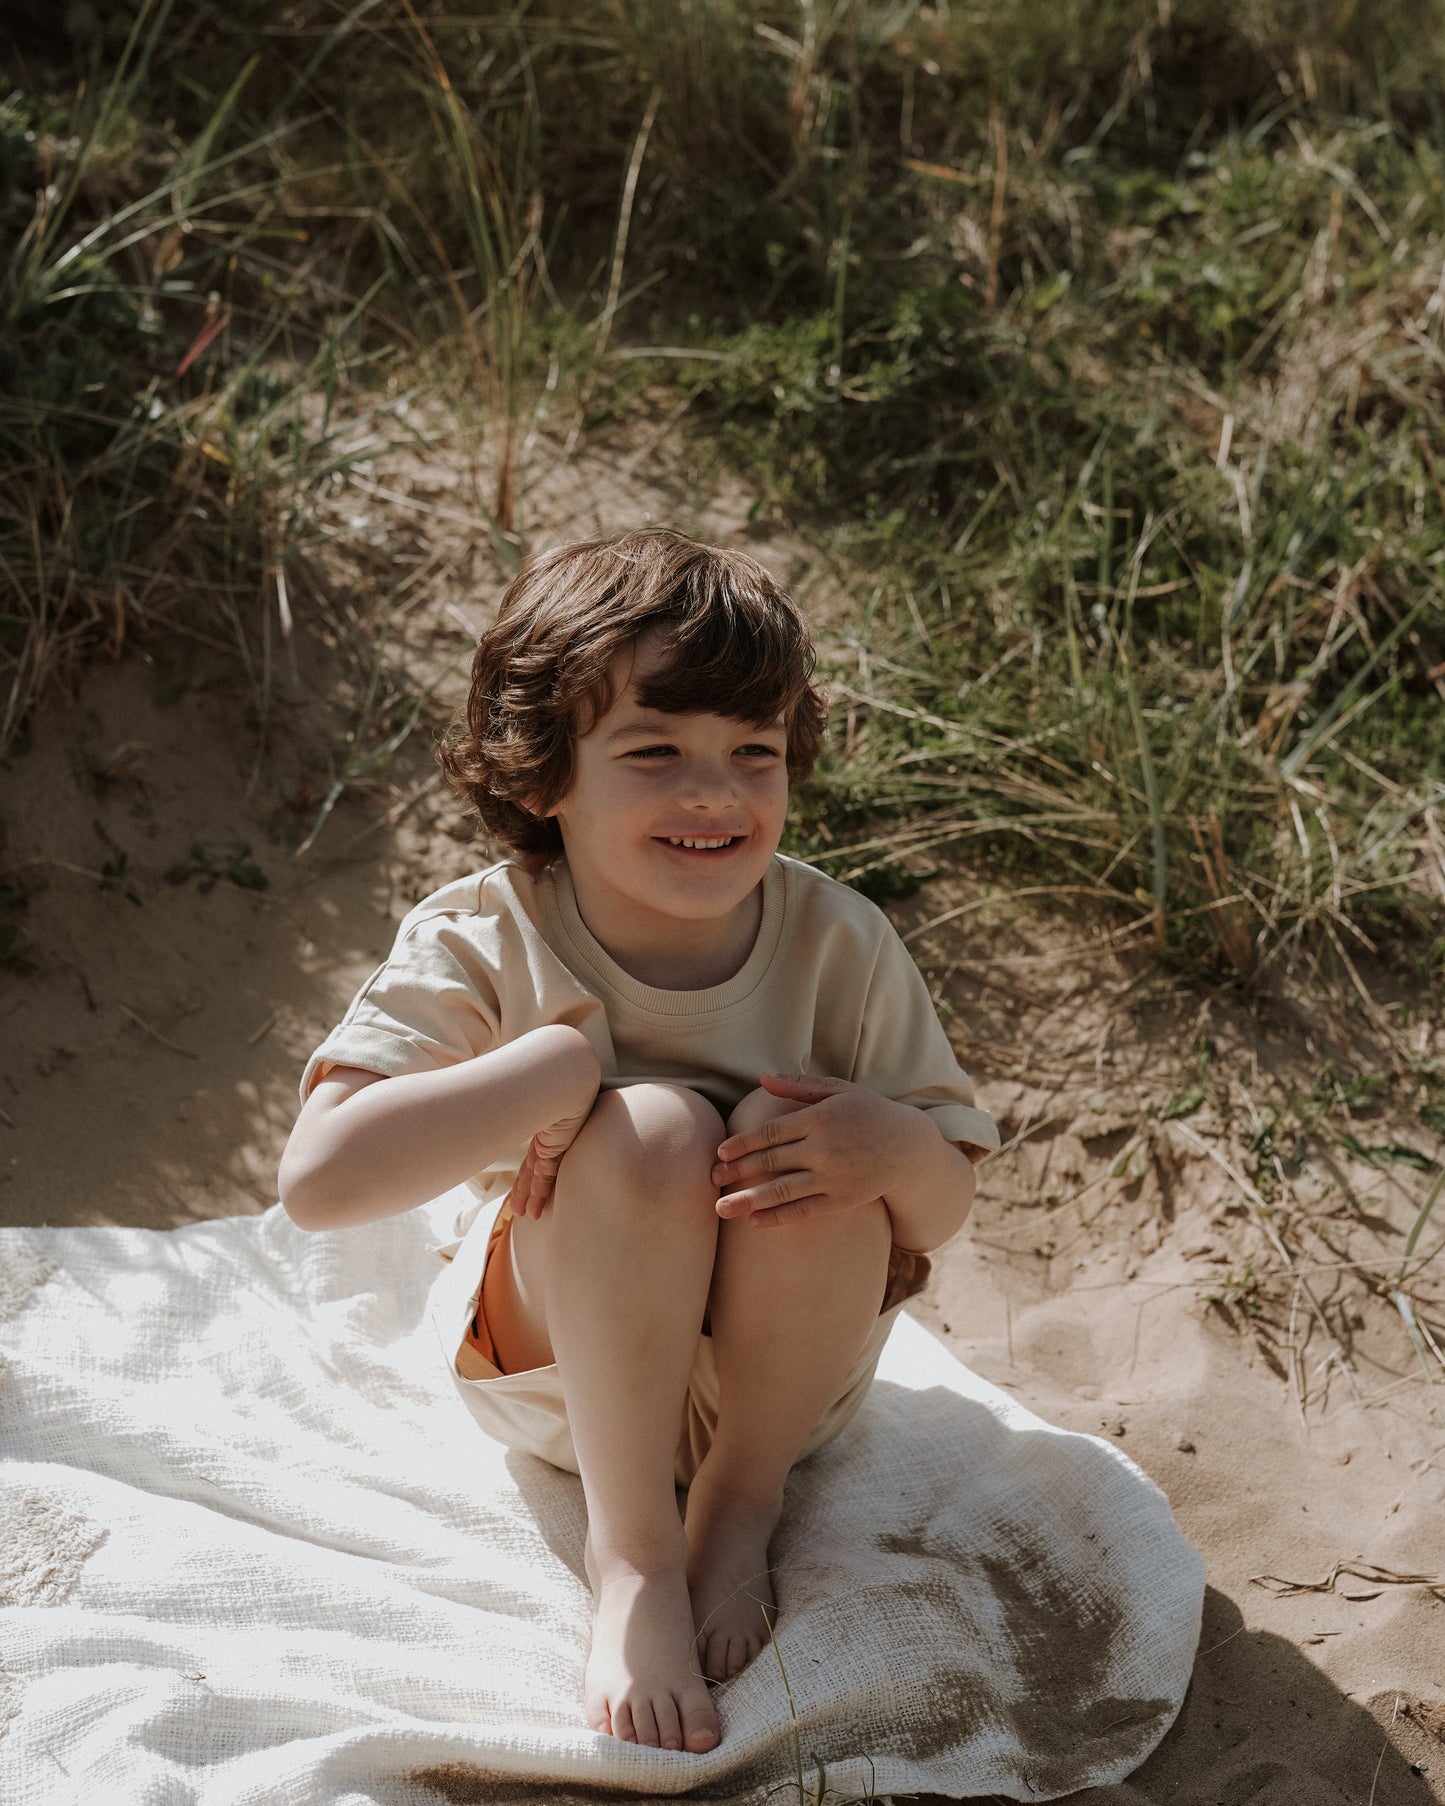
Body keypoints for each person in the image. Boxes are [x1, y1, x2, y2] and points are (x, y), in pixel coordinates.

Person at [278, 529, 998, 1757]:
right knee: (653, 1126)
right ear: (540, 774)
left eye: (751, 753)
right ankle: (634, 1562)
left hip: (777, 1393)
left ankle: (735, 1513)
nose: (712, 792)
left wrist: (891, 1150)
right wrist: (543, 1077)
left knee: (807, 1139)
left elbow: (936, 1211)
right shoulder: (485, 935)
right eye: (654, 752)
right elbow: (319, 1183)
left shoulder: (838, 939)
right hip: (567, 1380)